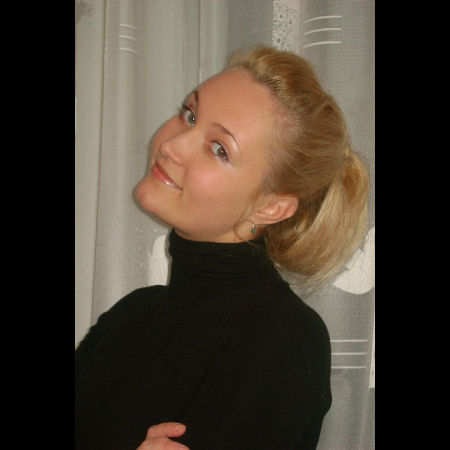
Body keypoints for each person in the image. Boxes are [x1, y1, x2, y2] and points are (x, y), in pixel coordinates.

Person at [75, 46, 369, 449]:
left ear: (270, 207)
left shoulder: (284, 339)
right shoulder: (131, 315)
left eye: (219, 149)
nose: (172, 145)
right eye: (190, 114)